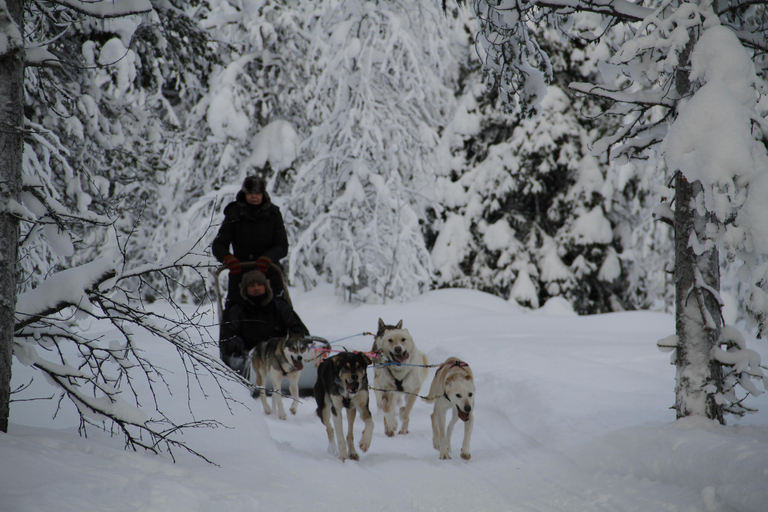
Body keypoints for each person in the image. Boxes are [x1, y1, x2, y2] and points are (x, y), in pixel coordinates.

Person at [212, 175, 289, 304]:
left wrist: (268, 258)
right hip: (240, 274)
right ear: (244, 193)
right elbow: (219, 244)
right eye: (250, 193)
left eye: (257, 193)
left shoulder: (273, 213)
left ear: (263, 193)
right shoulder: (234, 213)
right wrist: (227, 258)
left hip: (269, 273)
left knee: (281, 314)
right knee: (234, 316)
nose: (254, 196)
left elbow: (282, 246)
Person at [220, 270, 309, 375]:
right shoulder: (237, 310)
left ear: (266, 287)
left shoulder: (279, 306)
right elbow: (229, 333)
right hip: (249, 356)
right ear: (245, 289)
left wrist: (296, 338)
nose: (256, 288)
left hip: (279, 354)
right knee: (235, 359)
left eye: (259, 284)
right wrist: (236, 343)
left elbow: (296, 326)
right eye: (252, 285)